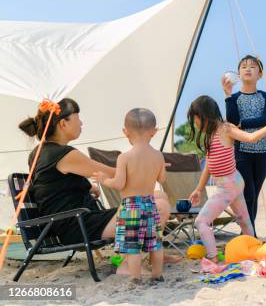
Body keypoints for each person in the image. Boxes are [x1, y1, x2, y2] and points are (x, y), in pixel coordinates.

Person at [18, 98, 175, 274]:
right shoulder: (65, 155)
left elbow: (54, 186)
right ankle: (127, 263)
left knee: (158, 198)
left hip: (72, 220)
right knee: (159, 204)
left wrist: (89, 188)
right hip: (77, 224)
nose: (82, 123)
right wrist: (151, 165)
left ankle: (147, 255)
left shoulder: (39, 152)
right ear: (63, 123)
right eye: (78, 118)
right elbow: (114, 173)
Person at [187, 95, 266, 261]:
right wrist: (199, 189)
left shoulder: (226, 129)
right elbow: (209, 164)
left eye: (196, 120)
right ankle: (255, 252)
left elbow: (250, 138)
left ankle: (213, 258)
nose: (195, 124)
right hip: (233, 183)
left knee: (201, 222)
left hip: (229, 185)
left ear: (204, 116)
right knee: (245, 221)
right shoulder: (210, 135)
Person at [93, 108, 165, 283]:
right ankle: (157, 275)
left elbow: (119, 184)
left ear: (125, 132)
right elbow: (162, 179)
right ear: (154, 132)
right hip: (150, 204)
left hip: (131, 206)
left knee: (132, 247)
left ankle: (135, 277)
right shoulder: (159, 156)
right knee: (155, 243)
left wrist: (104, 179)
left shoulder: (124, 157)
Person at [223, 54, 266, 237]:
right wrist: (228, 95)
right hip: (241, 153)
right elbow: (232, 121)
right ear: (238, 73)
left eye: (253, 66)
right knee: (248, 194)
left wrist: (243, 125)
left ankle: (247, 232)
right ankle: (250, 235)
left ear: (260, 74)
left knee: (255, 194)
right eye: (244, 66)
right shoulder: (234, 98)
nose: (248, 68)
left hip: (262, 152)